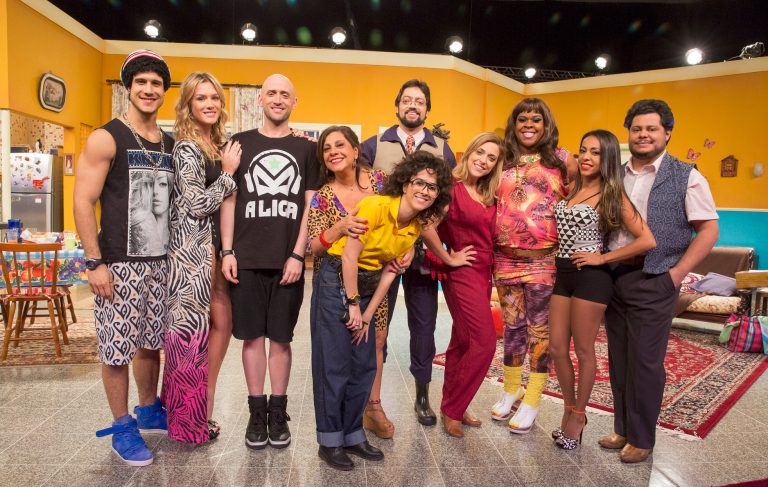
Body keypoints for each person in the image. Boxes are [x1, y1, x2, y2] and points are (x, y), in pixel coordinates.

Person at [311, 151, 453, 470]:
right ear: (405, 184)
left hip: (370, 286)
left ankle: (352, 434)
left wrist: (367, 315)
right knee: (334, 364)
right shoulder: (375, 206)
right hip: (336, 280)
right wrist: (351, 303)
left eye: (432, 187)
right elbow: (349, 257)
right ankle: (330, 441)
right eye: (419, 182)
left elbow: (390, 272)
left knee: (364, 365)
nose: (424, 191)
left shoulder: (414, 226)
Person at [599, 100, 718, 463]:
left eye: (651, 129)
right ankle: (623, 428)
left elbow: (708, 230)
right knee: (619, 358)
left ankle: (642, 438)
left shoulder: (687, 176)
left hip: (656, 277)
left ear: (667, 133)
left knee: (645, 362)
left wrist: (676, 275)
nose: (643, 135)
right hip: (613, 276)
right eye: (636, 129)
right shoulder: (613, 173)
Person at [73, 49, 174, 466]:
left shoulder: (169, 143)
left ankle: (148, 410)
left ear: (164, 90)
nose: (149, 89)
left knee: (151, 344)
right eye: (141, 83)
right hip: (118, 263)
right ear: (128, 88)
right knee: (117, 349)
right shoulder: (107, 137)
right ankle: (121, 426)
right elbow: (83, 201)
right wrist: (94, 262)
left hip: (161, 263)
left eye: (156, 83)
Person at [220, 74, 321, 450]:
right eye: (272, 93)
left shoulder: (307, 149)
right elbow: (229, 199)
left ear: (295, 102)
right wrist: (227, 251)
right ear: (260, 99)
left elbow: (311, 205)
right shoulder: (238, 144)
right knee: (251, 339)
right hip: (245, 258)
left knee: (280, 339)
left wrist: (298, 254)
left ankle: (278, 412)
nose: (278, 99)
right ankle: (256, 411)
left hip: (287, 262)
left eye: (285, 94)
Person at [549, 129, 656, 450]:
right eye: (583, 150)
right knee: (557, 347)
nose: (586, 157)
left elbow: (647, 240)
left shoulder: (612, 194)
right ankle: (569, 409)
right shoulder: (572, 187)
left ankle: (578, 416)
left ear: (607, 157)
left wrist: (604, 257)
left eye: (595, 152)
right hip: (562, 273)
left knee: (583, 351)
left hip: (592, 278)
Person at [361, 79, 457, 427]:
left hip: (422, 254)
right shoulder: (373, 145)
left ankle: (422, 395)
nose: (412, 105)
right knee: (378, 328)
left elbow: (446, 197)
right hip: (382, 252)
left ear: (427, 109)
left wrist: (425, 229)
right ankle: (371, 399)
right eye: (407, 100)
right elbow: (364, 192)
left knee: (424, 325)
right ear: (397, 106)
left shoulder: (442, 149)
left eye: (419, 101)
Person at [161, 72, 241, 444]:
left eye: (214, 98)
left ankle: (201, 409)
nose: (209, 104)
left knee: (221, 325)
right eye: (201, 98)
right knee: (190, 339)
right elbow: (196, 204)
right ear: (188, 105)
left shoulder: (217, 143)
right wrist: (227, 175)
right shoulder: (187, 148)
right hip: (190, 256)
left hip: (215, 250)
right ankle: (188, 422)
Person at [306, 126, 394, 439]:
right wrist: (339, 228)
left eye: (340, 145)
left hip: (375, 279)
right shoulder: (323, 197)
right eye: (326, 148)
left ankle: (363, 418)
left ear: (356, 150)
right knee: (336, 358)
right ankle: (332, 436)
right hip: (335, 283)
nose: (333, 152)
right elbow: (312, 247)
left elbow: (403, 215)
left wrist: (407, 248)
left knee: (372, 348)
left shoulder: (382, 182)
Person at [491, 97, 570, 434]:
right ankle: (512, 389)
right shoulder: (502, 159)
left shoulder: (562, 159)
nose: (528, 125)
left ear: (546, 124)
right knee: (512, 328)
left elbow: (580, 198)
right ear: (514, 124)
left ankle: (534, 398)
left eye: (536, 119)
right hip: (504, 258)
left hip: (543, 260)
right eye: (522, 119)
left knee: (539, 331)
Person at [421, 132, 504, 437]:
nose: (484, 161)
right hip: (462, 272)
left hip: (484, 273)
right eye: (480, 153)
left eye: (491, 158)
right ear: (469, 153)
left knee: (462, 341)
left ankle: (454, 402)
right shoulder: (451, 189)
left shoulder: (488, 193)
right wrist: (448, 257)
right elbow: (426, 226)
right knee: (484, 342)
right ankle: (453, 409)